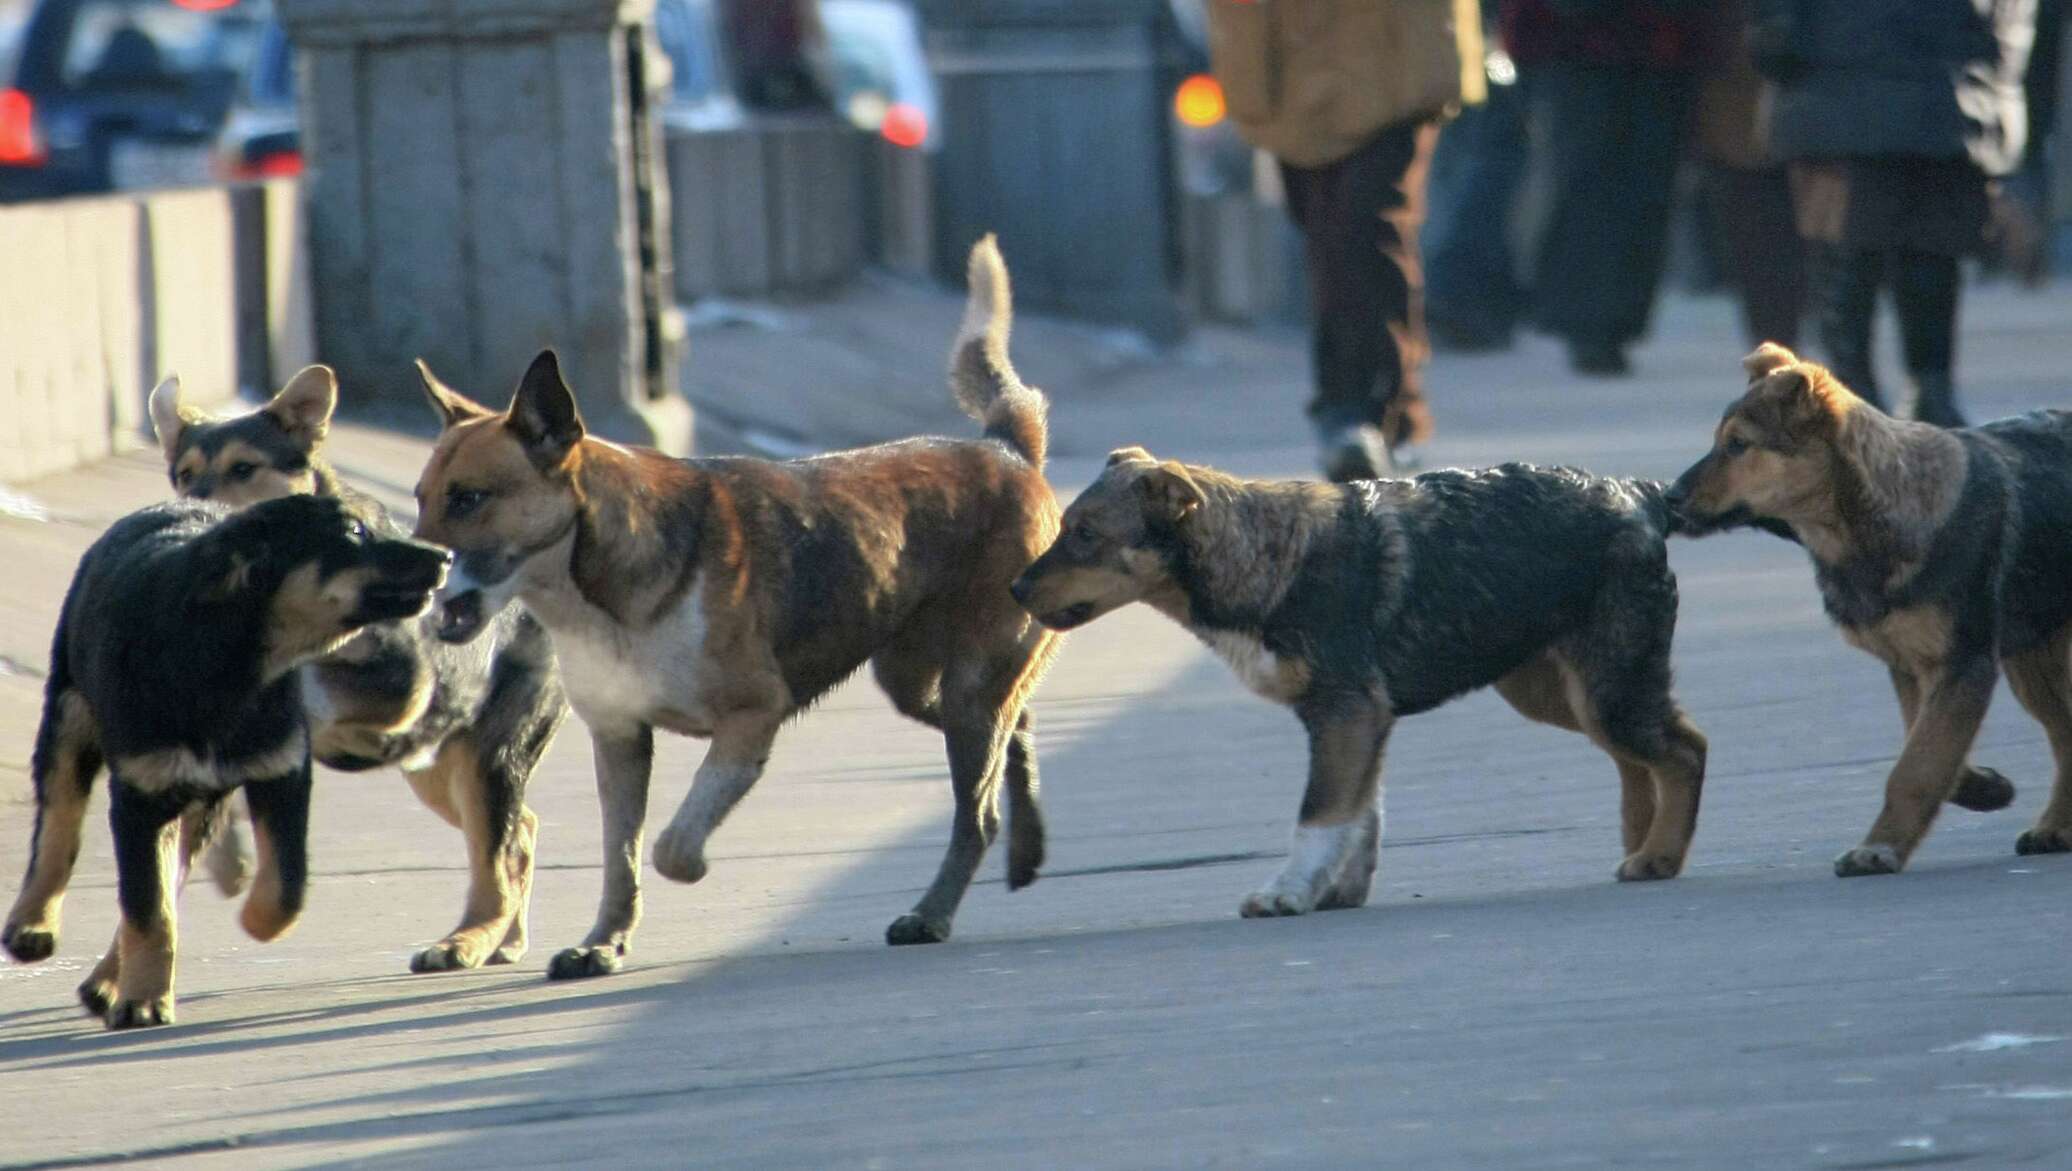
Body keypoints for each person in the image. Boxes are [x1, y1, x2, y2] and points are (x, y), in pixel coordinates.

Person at [1205, 0, 1484, 480]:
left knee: (1366, 229)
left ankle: (1364, 409)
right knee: (1326, 235)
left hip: (1390, 60)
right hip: (1290, 67)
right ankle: (1385, 410)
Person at [1755, 0, 2035, 426]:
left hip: (1846, 70)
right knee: (1921, 246)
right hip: (1943, 73)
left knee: (1858, 242)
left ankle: (1858, 393)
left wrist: (1775, 36)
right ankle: (1921, 389)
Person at [1499, 0, 1713, 376]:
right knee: (1590, 183)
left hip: (1657, 42)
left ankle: (1615, 319)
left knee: (1642, 185)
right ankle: (1592, 322)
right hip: (1582, 40)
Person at [1695, 0, 1806, 348]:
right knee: (1757, 222)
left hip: (1789, 80)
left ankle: (1779, 323)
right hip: (1740, 84)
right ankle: (1777, 325)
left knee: (1764, 223)